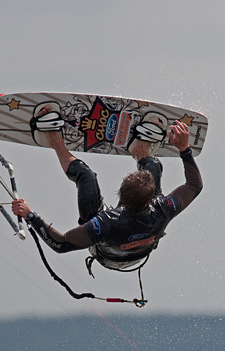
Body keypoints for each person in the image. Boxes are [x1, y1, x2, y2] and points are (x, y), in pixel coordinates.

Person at [12, 108, 203, 274]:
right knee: (151, 166)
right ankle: (140, 150)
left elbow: (61, 244)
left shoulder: (106, 223)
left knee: (86, 176)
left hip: (112, 249)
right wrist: (184, 149)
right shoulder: (161, 209)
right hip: (121, 247)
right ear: (150, 200)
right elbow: (195, 185)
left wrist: (30, 215)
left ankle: (55, 139)